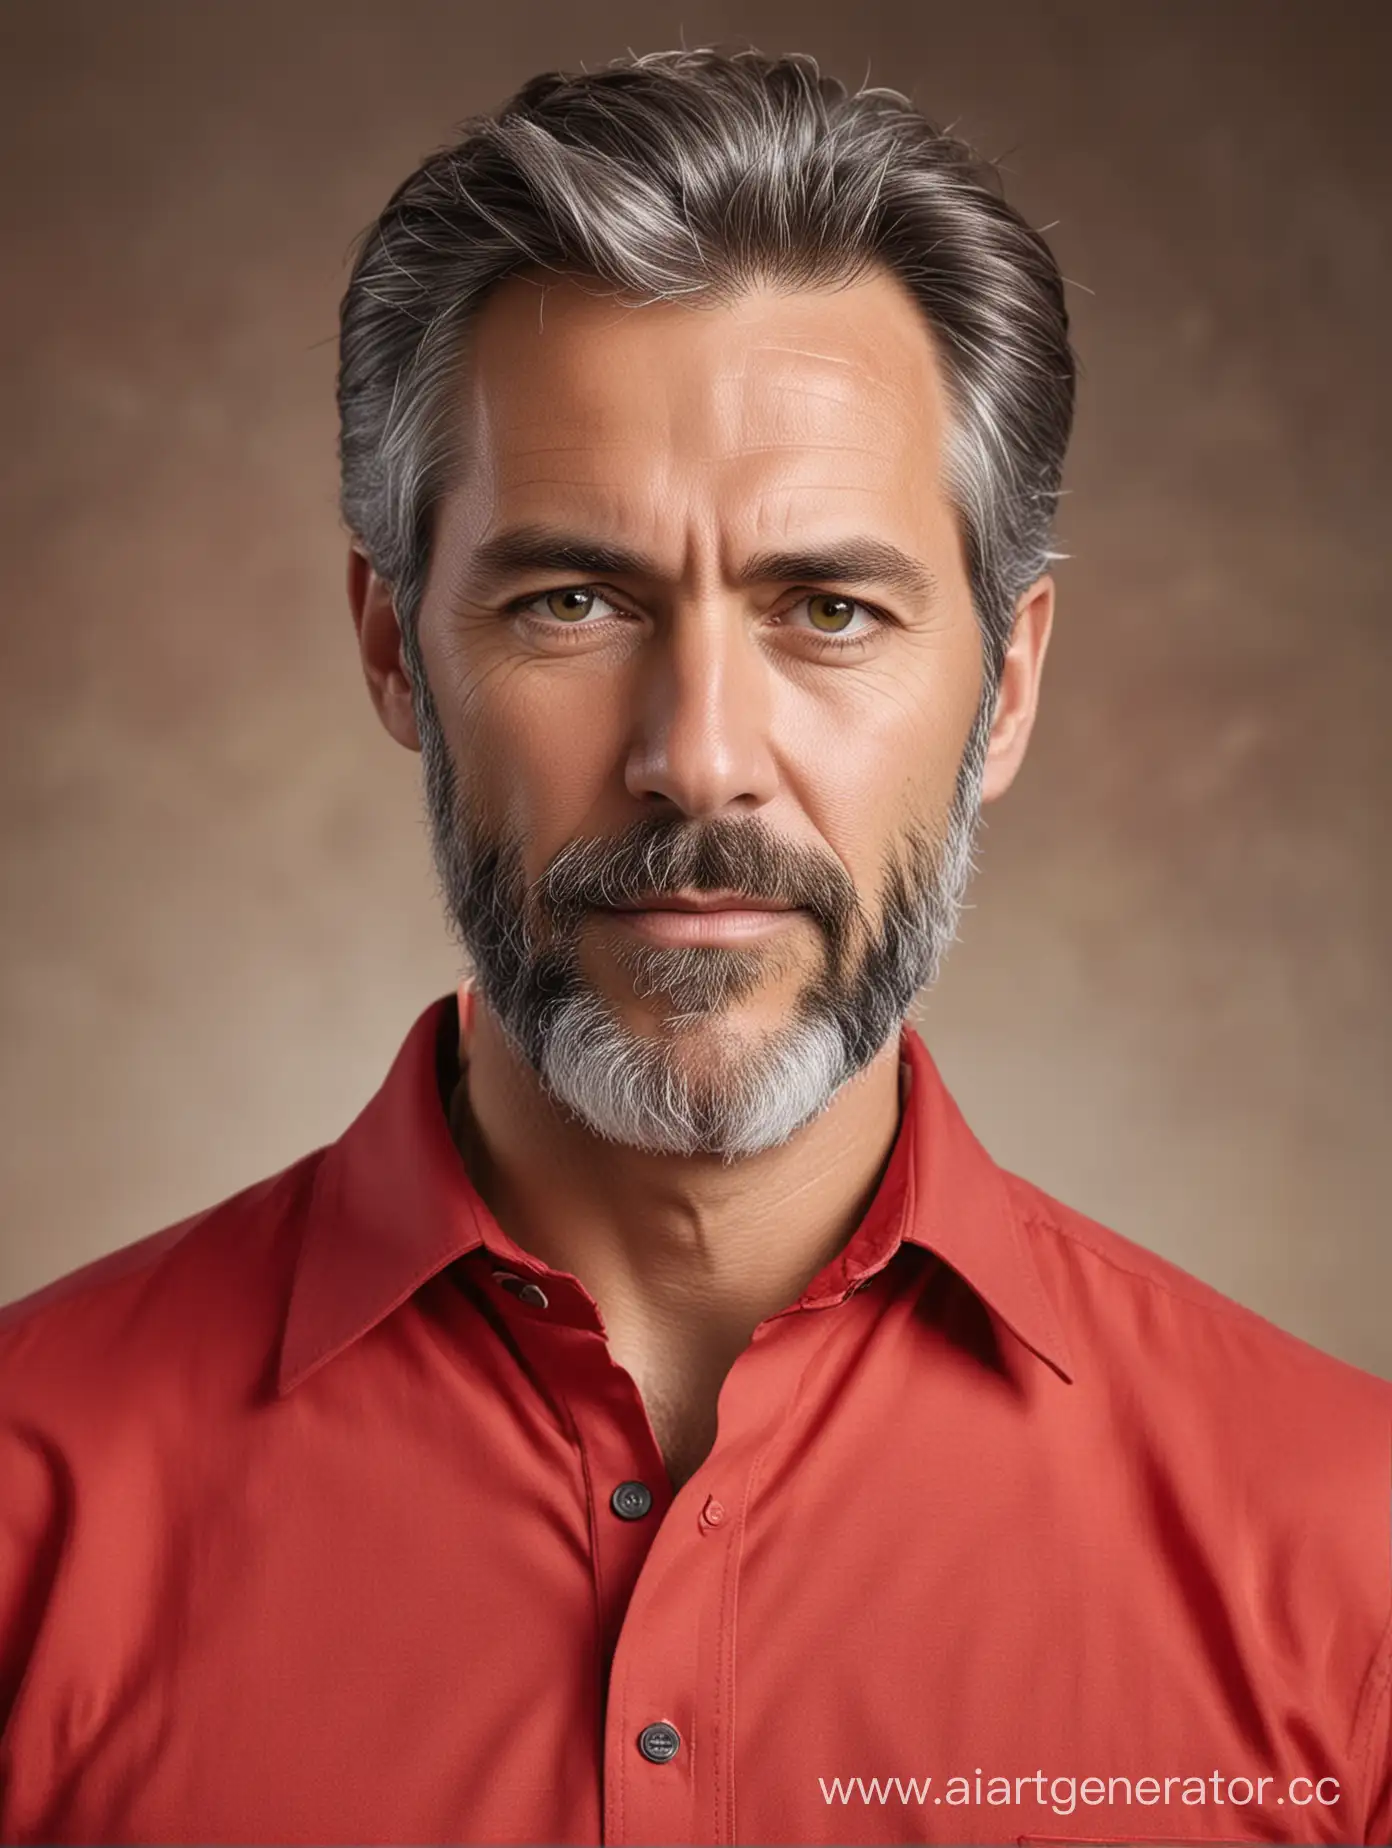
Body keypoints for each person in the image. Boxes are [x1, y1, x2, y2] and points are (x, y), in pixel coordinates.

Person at [0, 46, 1387, 1848]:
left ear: (1010, 682)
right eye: (573, 600)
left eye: (829, 608)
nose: (701, 755)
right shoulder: (28, 1521)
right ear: (391, 647)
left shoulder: (1349, 1561)